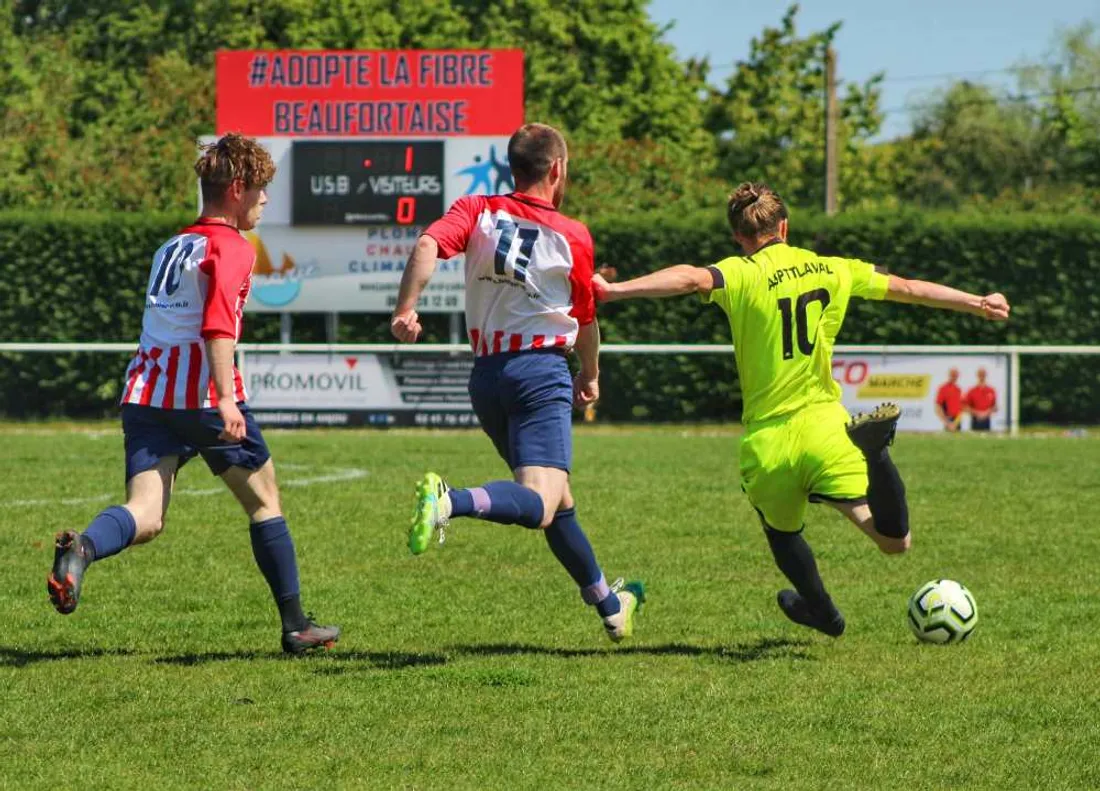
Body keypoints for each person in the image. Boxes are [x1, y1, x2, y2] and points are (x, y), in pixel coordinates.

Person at [593, 182, 1010, 636]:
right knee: (894, 540)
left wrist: (616, 290)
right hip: (827, 427)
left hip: (768, 441)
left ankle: (822, 610)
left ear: (738, 237)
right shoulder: (831, 268)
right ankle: (877, 455)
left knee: (782, 532)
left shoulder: (740, 273)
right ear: (785, 227)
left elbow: (691, 277)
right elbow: (907, 288)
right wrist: (976, 302)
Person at [46, 133, 339, 655]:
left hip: (146, 392)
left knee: (146, 514)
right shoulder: (231, 248)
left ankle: (83, 549)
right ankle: (296, 627)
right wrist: (225, 400)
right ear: (238, 189)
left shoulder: (172, 244)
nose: (265, 201)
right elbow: (217, 325)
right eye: (262, 190)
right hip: (202, 396)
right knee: (265, 502)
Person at [390, 123, 644, 643]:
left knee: (559, 500)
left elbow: (426, 246)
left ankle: (610, 604)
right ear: (557, 170)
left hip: (487, 378)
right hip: (538, 373)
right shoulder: (572, 234)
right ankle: (449, 501)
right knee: (541, 503)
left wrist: (406, 309)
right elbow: (587, 320)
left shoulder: (476, 210)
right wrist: (590, 375)